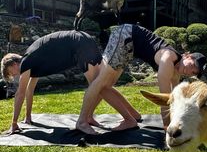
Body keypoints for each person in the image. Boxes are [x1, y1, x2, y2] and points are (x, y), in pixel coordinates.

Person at [1, 30, 141, 134]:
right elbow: (29, 91)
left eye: (10, 73)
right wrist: (28, 117)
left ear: (13, 65)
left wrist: (13, 123)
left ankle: (129, 120)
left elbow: (20, 93)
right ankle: (132, 114)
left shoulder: (26, 62)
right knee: (101, 85)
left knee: (100, 88)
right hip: (84, 40)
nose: (14, 76)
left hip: (78, 45)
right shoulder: (34, 60)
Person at [76, 23, 207, 134]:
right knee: (100, 82)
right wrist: (169, 130)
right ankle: (82, 121)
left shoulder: (176, 73)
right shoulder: (168, 60)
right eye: (192, 65)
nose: (190, 72)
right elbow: (164, 101)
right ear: (187, 56)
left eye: (194, 72)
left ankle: (128, 117)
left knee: (106, 85)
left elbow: (174, 102)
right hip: (125, 35)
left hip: (131, 46)